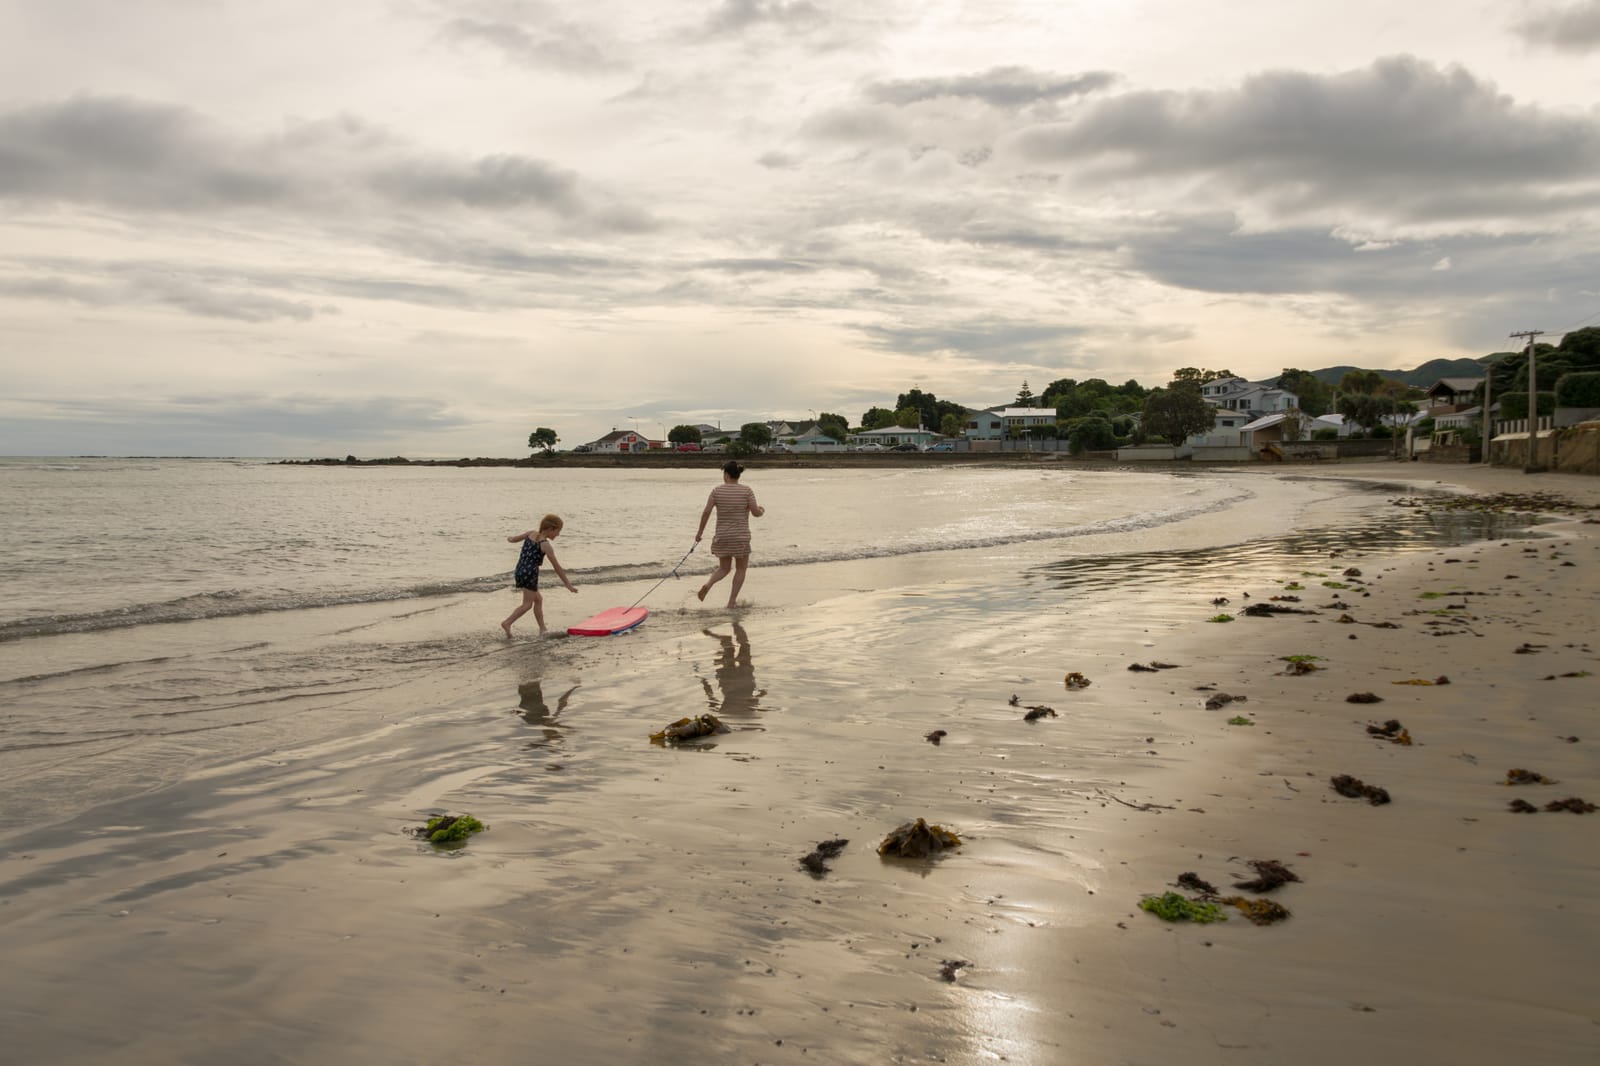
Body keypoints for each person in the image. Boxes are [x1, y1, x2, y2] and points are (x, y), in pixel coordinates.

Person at [695, 460, 765, 607]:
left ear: (726, 475)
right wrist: (761, 510)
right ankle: (731, 602)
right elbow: (755, 513)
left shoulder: (717, 491)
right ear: (738, 475)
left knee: (724, 568)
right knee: (740, 569)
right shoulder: (746, 491)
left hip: (722, 536)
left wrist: (699, 533)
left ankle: (708, 584)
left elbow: (706, 511)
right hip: (740, 537)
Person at [501, 514, 577, 635]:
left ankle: (542, 629)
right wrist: (568, 585)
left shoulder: (531, 533)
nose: (558, 534)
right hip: (530, 574)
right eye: (558, 531)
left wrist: (508, 538)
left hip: (520, 571)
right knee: (527, 605)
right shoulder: (545, 545)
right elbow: (557, 567)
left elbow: (514, 539)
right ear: (551, 529)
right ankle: (507, 622)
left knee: (538, 599)